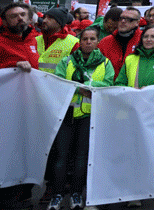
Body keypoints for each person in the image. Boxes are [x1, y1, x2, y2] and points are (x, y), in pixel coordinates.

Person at [48, 25, 111, 210]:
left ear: (98, 42)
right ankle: (57, 194)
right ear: (79, 41)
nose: (88, 42)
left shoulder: (105, 63)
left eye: (92, 39)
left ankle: (76, 193)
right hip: (66, 114)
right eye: (85, 39)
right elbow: (59, 81)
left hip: (89, 116)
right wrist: (82, 87)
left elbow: (107, 83)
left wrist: (85, 85)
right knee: (61, 156)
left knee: (82, 157)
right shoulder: (67, 61)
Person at [0, 3, 40, 210]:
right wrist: (11, 67)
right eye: (13, 16)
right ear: (4, 21)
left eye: (23, 14)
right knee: (2, 150)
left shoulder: (34, 41)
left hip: (28, 106)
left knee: (26, 148)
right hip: (2, 109)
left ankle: (22, 195)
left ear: (30, 18)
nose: (19, 18)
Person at [113, 25, 154, 89]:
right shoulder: (130, 59)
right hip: (133, 98)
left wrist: (151, 89)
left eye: (153, 37)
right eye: (145, 36)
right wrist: (131, 90)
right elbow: (119, 83)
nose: (148, 39)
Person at [98, 7, 142, 73]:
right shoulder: (105, 42)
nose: (123, 21)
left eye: (129, 19)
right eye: (121, 18)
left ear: (137, 22)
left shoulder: (144, 40)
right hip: (109, 82)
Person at [35, 7, 77, 74]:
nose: (44, 21)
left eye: (50, 18)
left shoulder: (74, 43)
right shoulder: (35, 40)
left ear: (59, 22)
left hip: (58, 83)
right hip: (34, 82)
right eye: (44, 17)